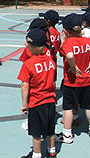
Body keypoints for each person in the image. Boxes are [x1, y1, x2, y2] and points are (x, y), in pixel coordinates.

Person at [55, 13, 90, 143]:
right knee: (89, 107)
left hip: (72, 82)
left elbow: (70, 55)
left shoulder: (67, 43)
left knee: (68, 107)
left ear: (65, 30)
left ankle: (67, 133)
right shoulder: (87, 41)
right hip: (87, 80)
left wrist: (73, 66)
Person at [18, 29, 56, 158]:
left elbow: (25, 85)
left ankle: (36, 154)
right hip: (50, 101)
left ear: (32, 46)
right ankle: (52, 151)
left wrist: (25, 104)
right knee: (50, 130)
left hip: (36, 102)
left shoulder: (28, 64)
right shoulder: (51, 61)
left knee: (36, 132)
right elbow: (53, 80)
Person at [39, 10, 61, 86]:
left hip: (46, 58)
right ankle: (53, 93)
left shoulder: (47, 32)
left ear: (48, 21)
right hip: (54, 58)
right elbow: (58, 45)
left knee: (45, 78)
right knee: (53, 78)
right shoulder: (57, 33)